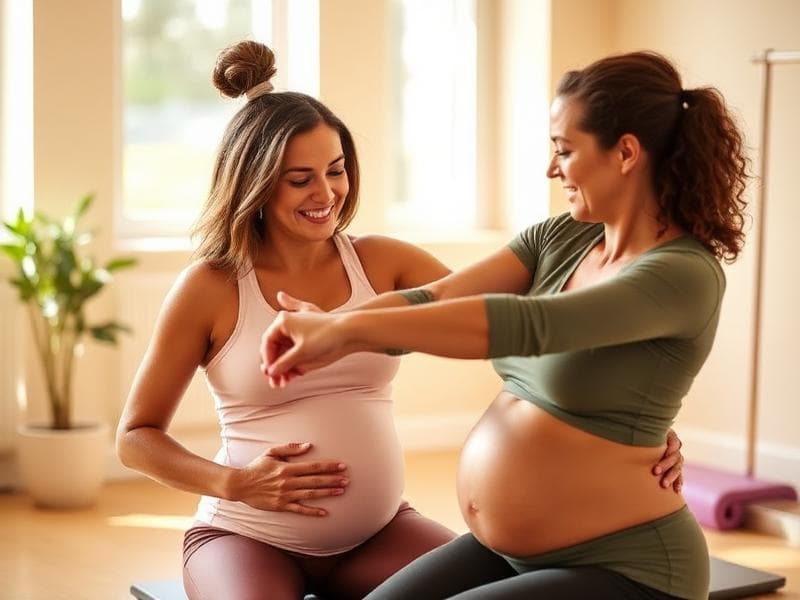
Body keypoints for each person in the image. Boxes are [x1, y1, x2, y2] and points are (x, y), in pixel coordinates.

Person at [116, 41, 685, 600]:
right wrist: (235, 484)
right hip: (246, 532)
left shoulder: (383, 261)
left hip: (378, 533)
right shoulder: (211, 286)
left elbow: (517, 330)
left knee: (511, 587)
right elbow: (136, 438)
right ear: (255, 183)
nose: (326, 193)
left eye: (335, 171)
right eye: (300, 179)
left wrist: (631, 427)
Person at [261, 50, 749, 600]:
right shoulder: (559, 238)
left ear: (626, 152)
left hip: (627, 570)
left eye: (564, 150)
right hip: (508, 550)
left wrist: (344, 334)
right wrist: (331, 322)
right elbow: (434, 296)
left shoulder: (681, 274)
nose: (552, 168)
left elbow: (529, 324)